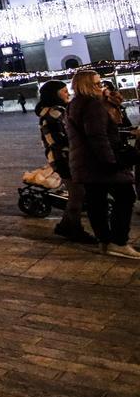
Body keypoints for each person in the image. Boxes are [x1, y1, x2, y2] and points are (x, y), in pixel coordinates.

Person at [66, 70, 140, 258]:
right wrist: (110, 161)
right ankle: (118, 241)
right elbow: (97, 136)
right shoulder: (92, 105)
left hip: (85, 162)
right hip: (99, 162)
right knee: (125, 196)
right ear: (86, 85)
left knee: (96, 201)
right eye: (98, 84)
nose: (102, 87)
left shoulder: (75, 104)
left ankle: (104, 241)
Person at [35, 80, 95, 244]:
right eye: (63, 91)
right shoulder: (54, 113)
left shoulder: (58, 110)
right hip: (64, 158)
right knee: (77, 194)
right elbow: (58, 139)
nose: (67, 93)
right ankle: (72, 228)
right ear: (54, 94)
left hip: (65, 156)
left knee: (78, 194)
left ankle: (67, 225)